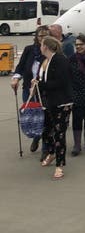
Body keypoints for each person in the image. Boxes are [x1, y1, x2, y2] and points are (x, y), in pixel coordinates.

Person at [33, 36, 73, 180]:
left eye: (41, 44)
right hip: (48, 101)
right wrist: (37, 82)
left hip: (61, 102)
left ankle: (59, 165)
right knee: (46, 131)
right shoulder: (46, 61)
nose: (40, 47)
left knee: (59, 133)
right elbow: (44, 80)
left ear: (46, 47)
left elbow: (60, 82)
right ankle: (51, 152)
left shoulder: (60, 60)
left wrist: (41, 84)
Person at [10, 25, 50, 158]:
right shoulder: (29, 50)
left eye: (45, 36)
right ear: (36, 37)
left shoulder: (51, 51)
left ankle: (45, 149)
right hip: (28, 89)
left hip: (43, 90)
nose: (43, 38)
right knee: (31, 116)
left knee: (44, 118)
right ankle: (36, 137)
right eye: (40, 36)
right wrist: (16, 78)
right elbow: (20, 67)